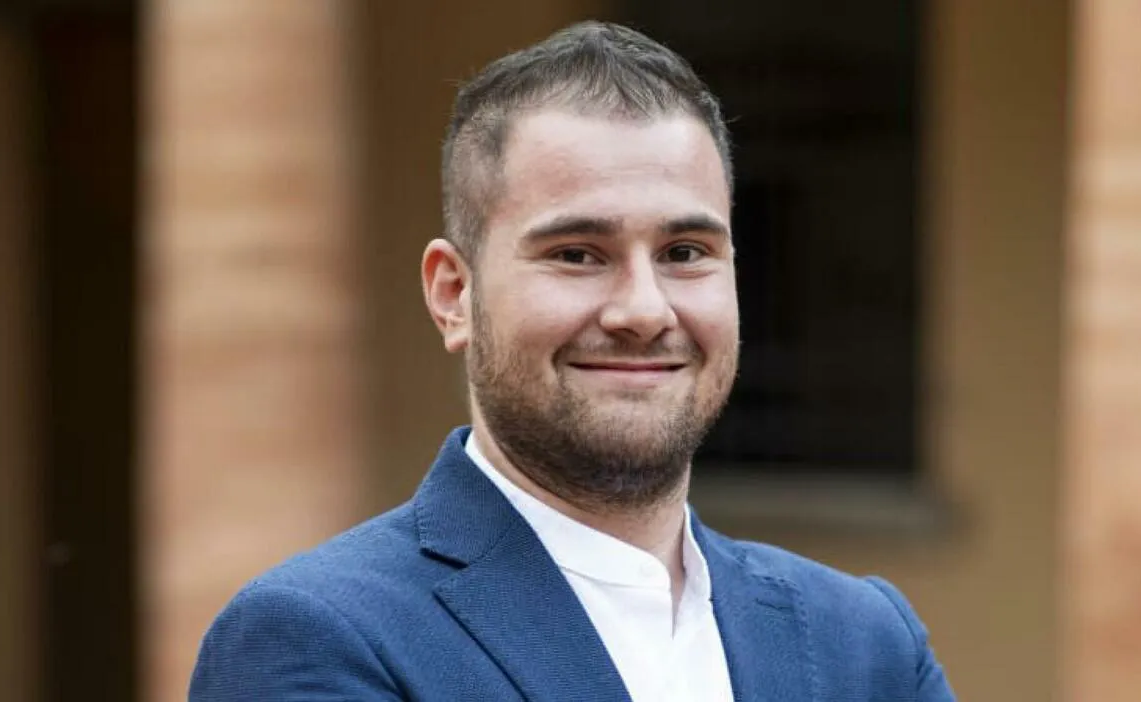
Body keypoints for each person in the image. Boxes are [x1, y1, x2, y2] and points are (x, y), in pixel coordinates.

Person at [190, 21, 955, 702]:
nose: (645, 311)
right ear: (453, 295)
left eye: (685, 252)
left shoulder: (865, 644)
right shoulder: (320, 636)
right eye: (577, 254)